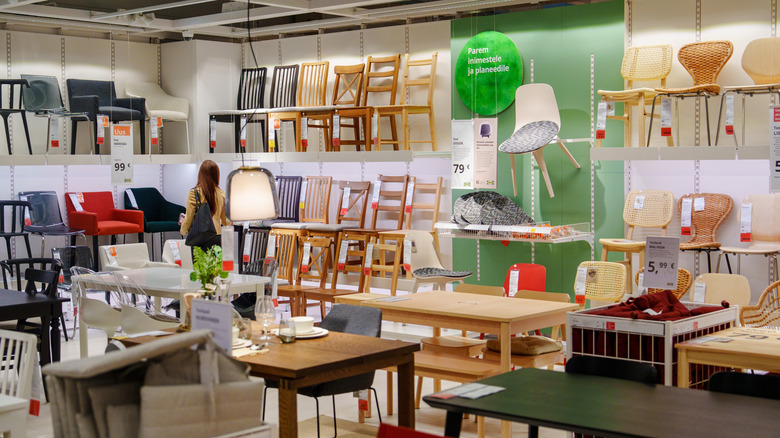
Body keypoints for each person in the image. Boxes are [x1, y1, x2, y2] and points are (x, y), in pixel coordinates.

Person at [180, 160, 230, 253]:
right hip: (217, 236)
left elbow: (189, 218)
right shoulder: (222, 194)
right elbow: (225, 221)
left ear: (200, 174)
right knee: (215, 262)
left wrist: (183, 230)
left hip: (200, 237)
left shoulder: (194, 193)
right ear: (216, 175)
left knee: (200, 263)